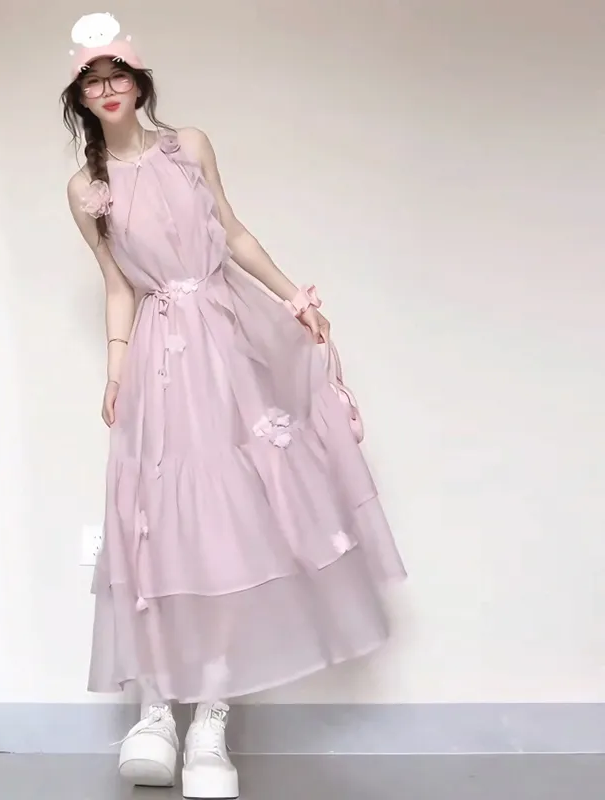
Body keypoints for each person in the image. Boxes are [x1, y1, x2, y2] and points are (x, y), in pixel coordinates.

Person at [61, 12, 406, 799]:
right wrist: (115, 370)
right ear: (80, 99)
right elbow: (117, 285)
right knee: (156, 520)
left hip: (225, 340)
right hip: (157, 357)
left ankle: (210, 721)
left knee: (235, 518)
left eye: (117, 75)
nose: (107, 88)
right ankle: (155, 710)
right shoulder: (85, 190)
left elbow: (236, 233)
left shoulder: (189, 147)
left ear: (139, 84)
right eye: (92, 81)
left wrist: (293, 299)